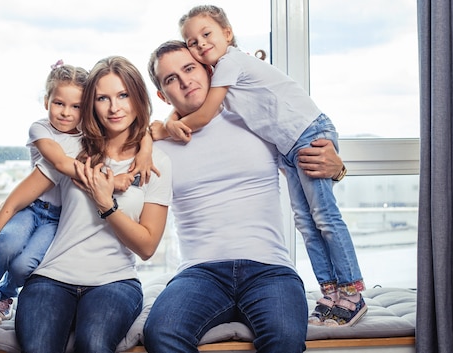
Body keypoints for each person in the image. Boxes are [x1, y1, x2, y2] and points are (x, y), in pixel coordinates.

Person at [162, 5, 366, 327]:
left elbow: (199, 117)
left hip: (307, 135)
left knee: (324, 219)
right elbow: (193, 112)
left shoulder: (231, 64)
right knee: (307, 224)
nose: (200, 44)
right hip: (289, 146)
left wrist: (339, 168)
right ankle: (331, 292)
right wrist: (165, 124)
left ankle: (352, 292)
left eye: (206, 34)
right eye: (192, 41)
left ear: (227, 33)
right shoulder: (226, 86)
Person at [143, 40, 346, 353]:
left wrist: (338, 169)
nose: (185, 81)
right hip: (200, 271)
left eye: (189, 68)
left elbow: (310, 162)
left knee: (285, 340)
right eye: (171, 78)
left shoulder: (255, 122)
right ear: (162, 94)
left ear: (209, 71)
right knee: (161, 333)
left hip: (270, 269)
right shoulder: (157, 147)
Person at [0, 55, 172, 353]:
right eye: (103, 98)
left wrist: (106, 205)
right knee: (38, 348)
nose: (114, 108)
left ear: (138, 97)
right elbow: (11, 205)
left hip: (114, 282)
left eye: (123, 95)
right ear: (92, 104)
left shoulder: (155, 163)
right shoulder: (70, 150)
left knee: (94, 344)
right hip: (51, 277)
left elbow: (147, 246)